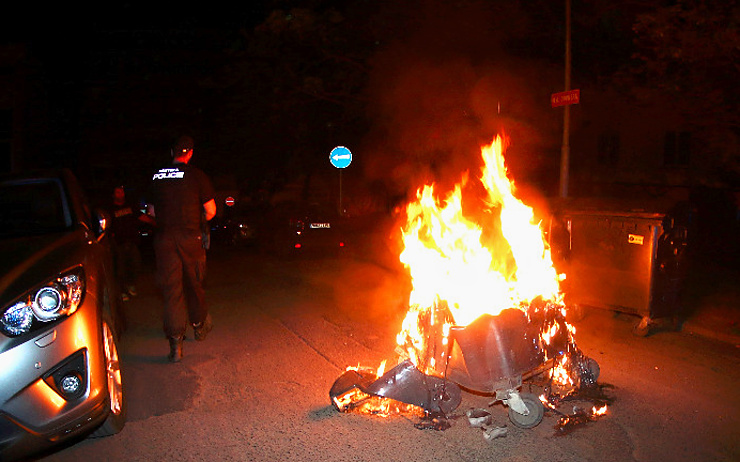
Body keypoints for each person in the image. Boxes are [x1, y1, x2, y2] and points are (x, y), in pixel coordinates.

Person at [147, 135, 216, 362]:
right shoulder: (196, 175)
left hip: (165, 239)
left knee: (172, 291)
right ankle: (198, 324)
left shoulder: (157, 176)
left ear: (171, 153)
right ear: (190, 153)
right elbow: (211, 210)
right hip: (190, 238)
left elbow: (152, 212)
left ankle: (175, 343)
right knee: (194, 283)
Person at [108, 185, 151, 301]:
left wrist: (154, 222)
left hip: (132, 240)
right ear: (113, 194)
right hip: (119, 243)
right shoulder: (111, 209)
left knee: (135, 264)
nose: (121, 194)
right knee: (120, 267)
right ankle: (121, 290)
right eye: (118, 192)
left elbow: (141, 216)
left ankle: (131, 285)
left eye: (122, 192)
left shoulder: (130, 206)